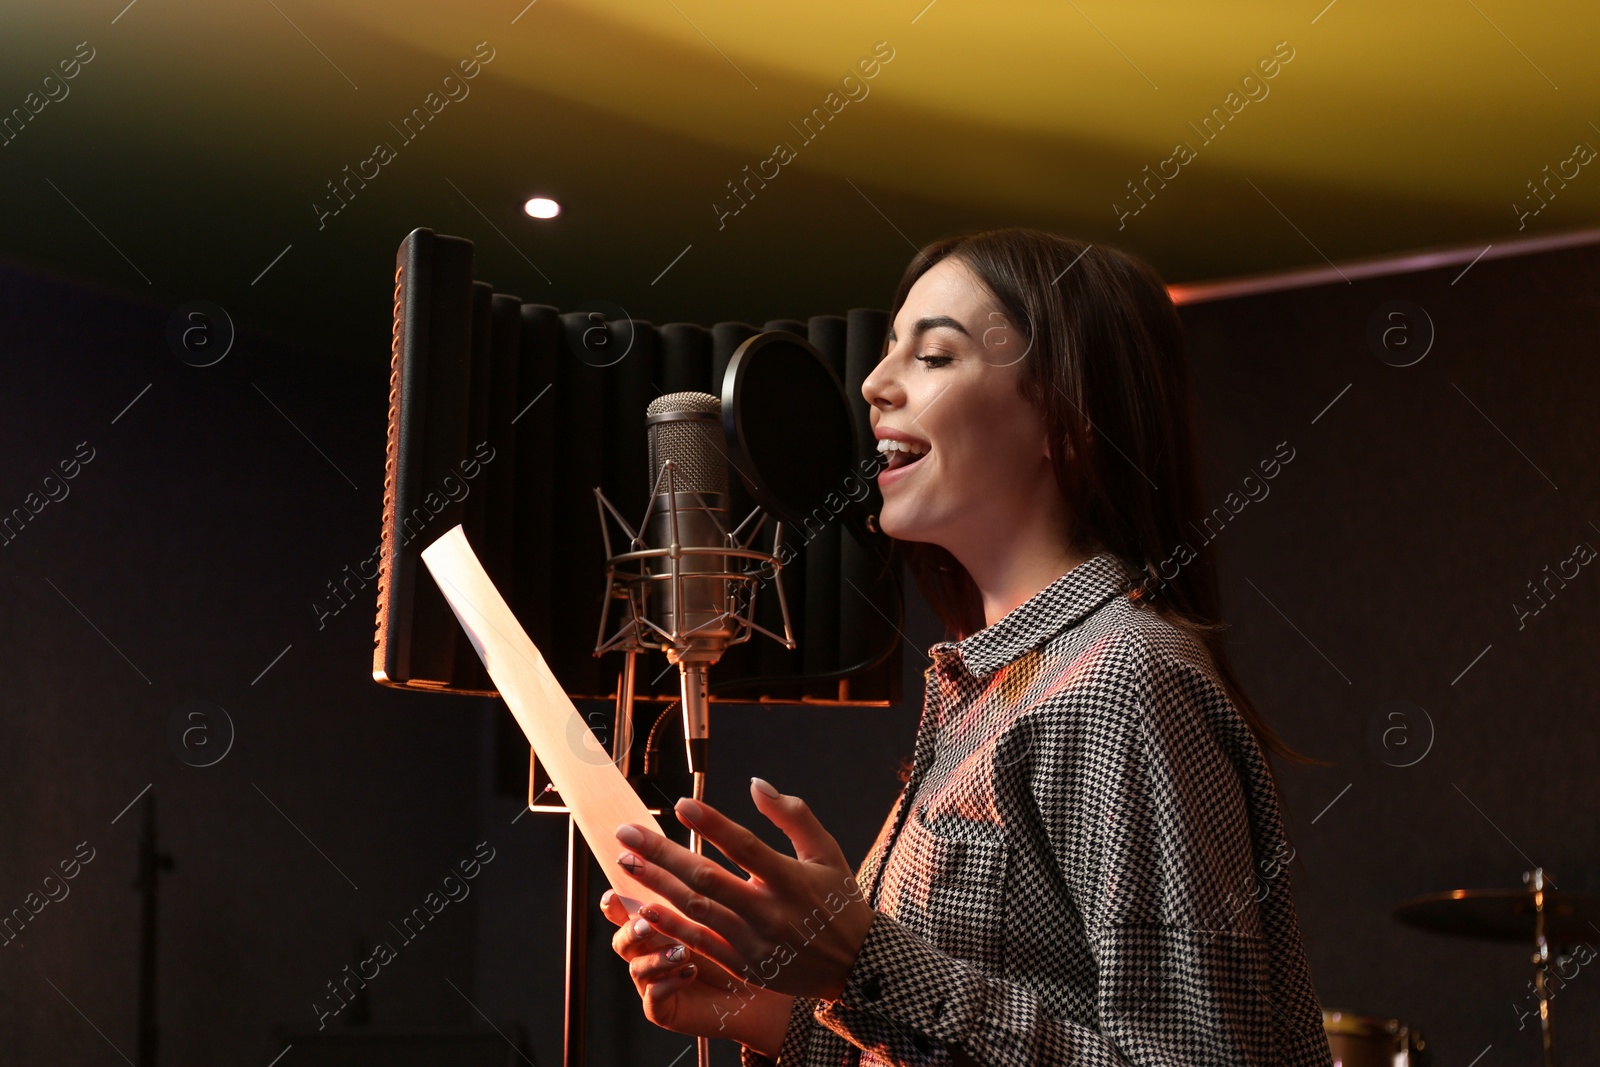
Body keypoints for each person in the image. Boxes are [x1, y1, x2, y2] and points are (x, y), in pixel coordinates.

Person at [598, 228, 1334, 1065]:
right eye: (885, 356)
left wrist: (864, 962)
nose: (874, 385)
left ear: (1067, 417)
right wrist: (767, 1010)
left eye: (934, 357)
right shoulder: (991, 688)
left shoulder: (1124, 682)